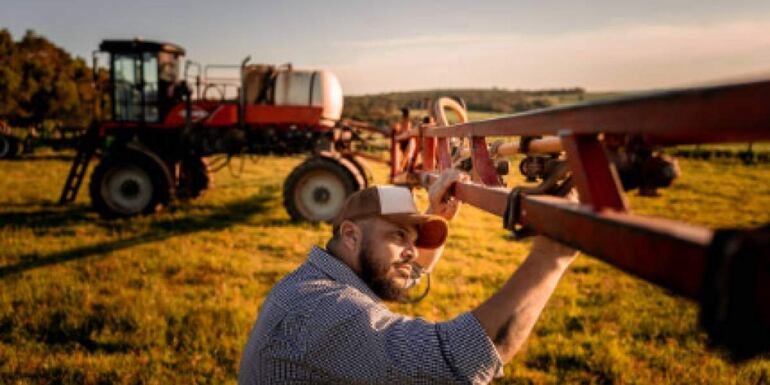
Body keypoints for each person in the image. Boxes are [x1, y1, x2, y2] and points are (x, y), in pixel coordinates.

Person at [239, 169, 578, 384]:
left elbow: (399, 275)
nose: (413, 253)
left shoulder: (316, 280)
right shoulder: (326, 308)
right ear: (351, 235)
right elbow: (455, 360)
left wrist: (434, 217)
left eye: (413, 242)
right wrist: (552, 256)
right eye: (399, 236)